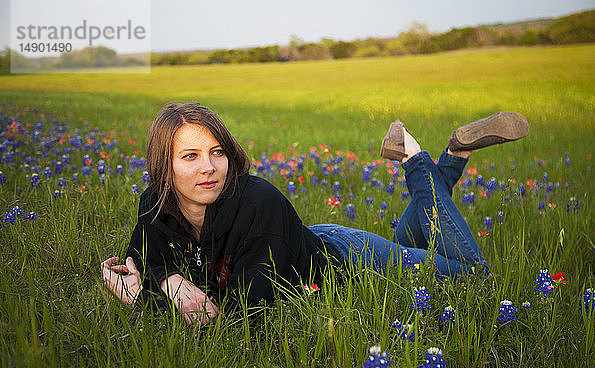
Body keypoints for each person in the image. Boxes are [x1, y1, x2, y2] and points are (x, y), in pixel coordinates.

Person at [101, 104, 529, 325]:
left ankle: (417, 159)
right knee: (414, 248)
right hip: (297, 245)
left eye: (216, 153)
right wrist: (167, 281)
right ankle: (452, 158)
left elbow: (242, 317)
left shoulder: (258, 205)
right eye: (190, 156)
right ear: (164, 167)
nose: (208, 168)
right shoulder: (154, 204)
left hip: (349, 262)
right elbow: (143, 257)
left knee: (474, 279)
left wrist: (145, 300)